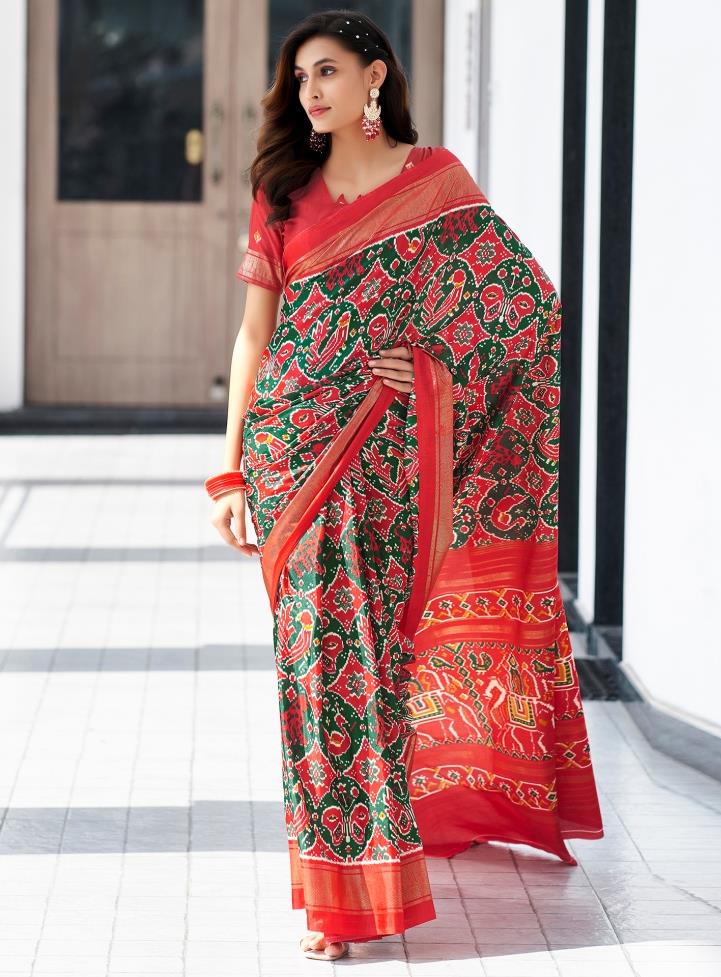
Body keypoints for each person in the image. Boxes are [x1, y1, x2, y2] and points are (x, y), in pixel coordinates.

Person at [205, 7, 604, 963]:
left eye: (330, 71)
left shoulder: (439, 187)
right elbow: (254, 338)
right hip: (293, 458)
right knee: (320, 674)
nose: (312, 90)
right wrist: (227, 471)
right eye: (301, 76)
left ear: (377, 78)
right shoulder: (282, 190)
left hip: (389, 465)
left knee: (373, 665)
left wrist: (434, 365)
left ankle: (374, 870)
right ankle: (340, 906)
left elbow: (524, 309)